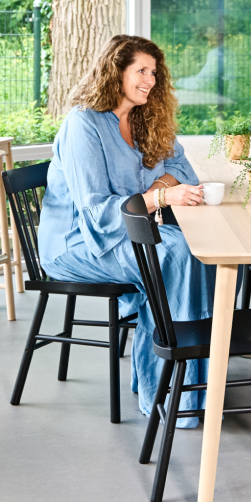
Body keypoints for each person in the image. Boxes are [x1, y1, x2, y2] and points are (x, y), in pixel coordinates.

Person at [38, 34, 215, 428]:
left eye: (154, 72)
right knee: (172, 255)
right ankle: (168, 395)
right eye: (141, 71)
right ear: (115, 72)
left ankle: (195, 381)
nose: (150, 80)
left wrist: (153, 192)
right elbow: (97, 212)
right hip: (77, 243)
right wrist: (157, 199)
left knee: (201, 249)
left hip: (127, 231)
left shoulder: (144, 117)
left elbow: (183, 170)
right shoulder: (83, 124)